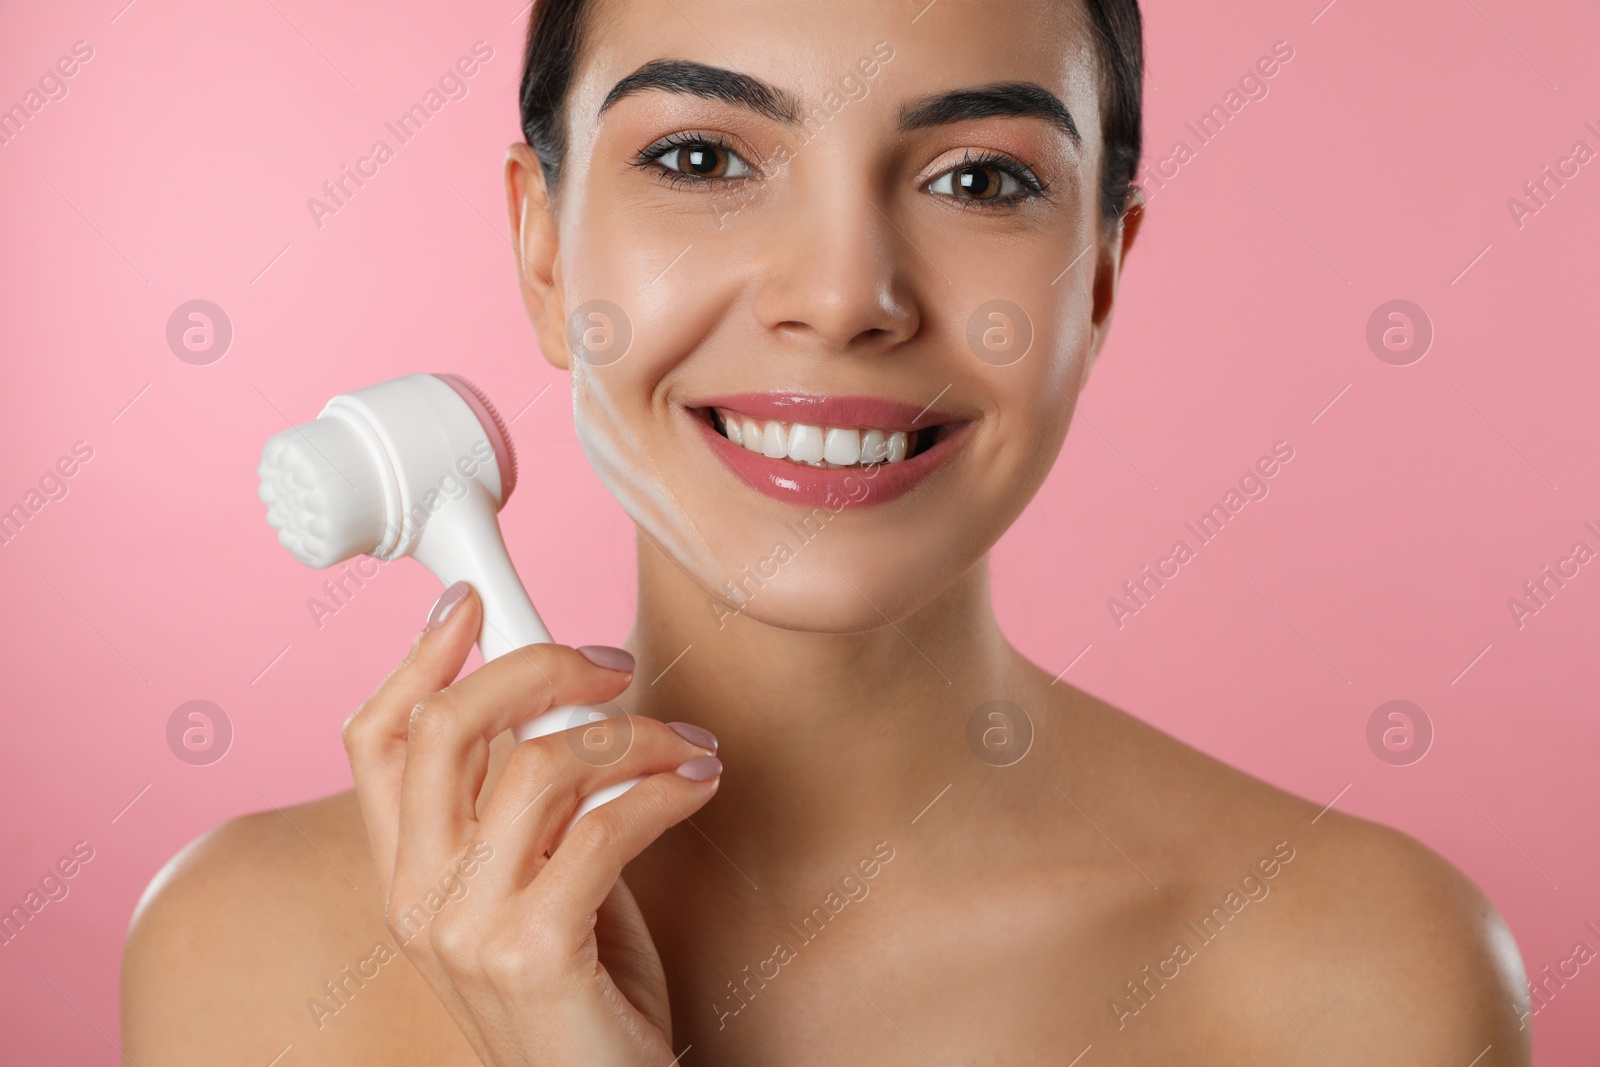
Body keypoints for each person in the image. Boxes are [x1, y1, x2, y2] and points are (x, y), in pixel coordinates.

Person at [122, 0, 1531, 1062]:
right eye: (698, 154)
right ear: (545, 248)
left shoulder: (1363, 978)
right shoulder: (247, 961)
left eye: (981, 179)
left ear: (1100, 277)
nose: (845, 292)